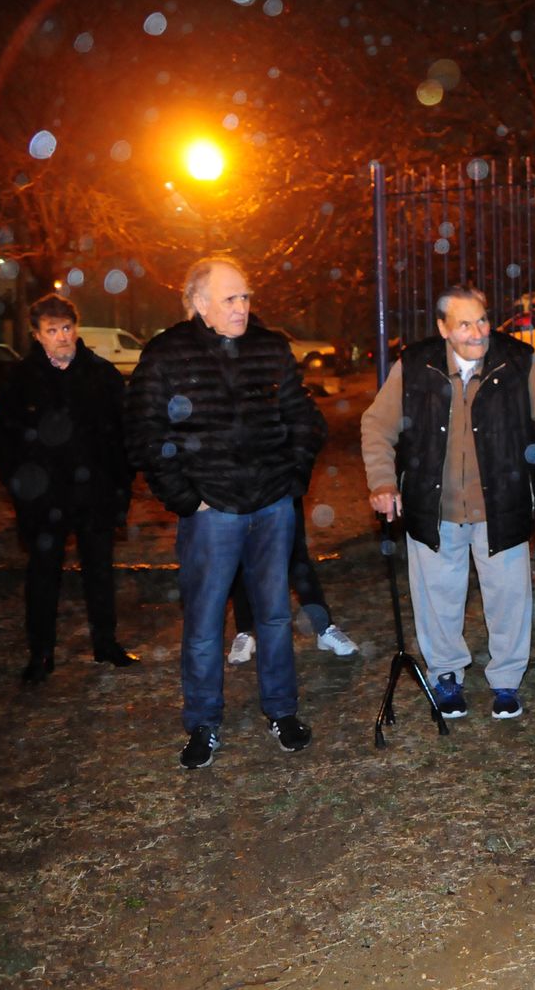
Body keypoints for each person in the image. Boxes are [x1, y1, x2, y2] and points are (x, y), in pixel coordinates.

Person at [126, 255, 326, 769]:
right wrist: (186, 498)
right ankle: (203, 723)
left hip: (272, 505)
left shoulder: (269, 346)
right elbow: (146, 431)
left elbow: (302, 414)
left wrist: (292, 477)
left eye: (246, 296)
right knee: (204, 622)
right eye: (231, 298)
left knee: (275, 615)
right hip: (211, 514)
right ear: (199, 303)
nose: (243, 307)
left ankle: (282, 711)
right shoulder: (168, 353)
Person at [360, 284, 535, 722]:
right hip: (432, 506)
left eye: (482, 320)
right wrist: (382, 482)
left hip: (503, 503)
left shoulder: (519, 362)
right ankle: (446, 675)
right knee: (437, 597)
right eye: (464, 324)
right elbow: (377, 426)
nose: (477, 332)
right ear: (443, 329)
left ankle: (507, 681)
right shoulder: (415, 366)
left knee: (509, 598)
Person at [0, 293, 139, 682]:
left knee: (100, 573)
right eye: (51, 330)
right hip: (43, 500)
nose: (61, 336)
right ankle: (40, 654)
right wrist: (23, 489)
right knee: (42, 576)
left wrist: (119, 486)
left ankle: (105, 644)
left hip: (95, 495)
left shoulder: (101, 375)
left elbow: (124, 436)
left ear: (77, 328)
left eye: (67, 328)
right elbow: (3, 441)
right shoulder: (21, 381)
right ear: (36, 335)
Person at [225, 497, 359, 665]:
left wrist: (295, 481)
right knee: (242, 556)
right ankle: (244, 632)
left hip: (281, 485)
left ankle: (324, 628)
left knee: (296, 555)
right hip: (239, 488)